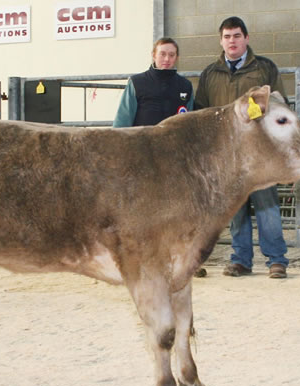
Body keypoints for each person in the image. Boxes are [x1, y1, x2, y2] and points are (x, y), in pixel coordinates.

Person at [194, 16, 289, 279]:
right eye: (227, 36)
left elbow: (280, 102)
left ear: (246, 38)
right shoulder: (210, 74)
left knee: (267, 205)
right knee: (235, 208)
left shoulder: (264, 68)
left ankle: (276, 260)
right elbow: (202, 112)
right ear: (221, 40)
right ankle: (241, 260)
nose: (232, 41)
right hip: (226, 153)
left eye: (237, 36)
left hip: (260, 151)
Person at [114, 37, 207, 278]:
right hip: (142, 159)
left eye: (172, 55)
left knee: (180, 212)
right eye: (162, 54)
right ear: (153, 55)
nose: (167, 59)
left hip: (175, 161)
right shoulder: (137, 84)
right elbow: (122, 122)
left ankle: (183, 261)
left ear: (177, 57)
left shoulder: (185, 86)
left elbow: (189, 123)